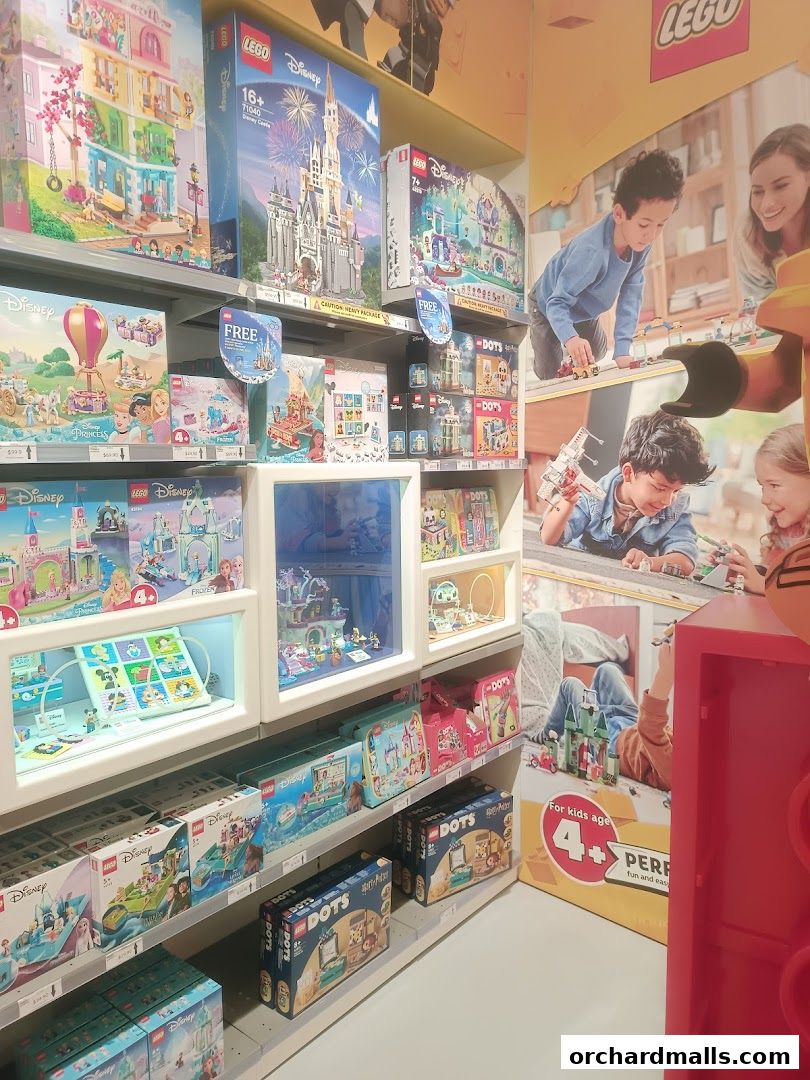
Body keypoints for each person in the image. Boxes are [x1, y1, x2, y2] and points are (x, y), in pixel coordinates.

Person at [529, 150, 684, 380]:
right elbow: (557, 302)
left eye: (661, 225)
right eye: (644, 224)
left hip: (583, 308)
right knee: (549, 374)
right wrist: (570, 338)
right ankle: (558, 349)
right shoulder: (591, 251)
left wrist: (622, 349)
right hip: (547, 304)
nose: (651, 235)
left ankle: (571, 346)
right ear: (620, 214)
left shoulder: (640, 243)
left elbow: (631, 293)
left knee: (598, 351)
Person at [540, 410, 713, 574]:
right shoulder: (592, 498)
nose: (668, 500)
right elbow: (549, 538)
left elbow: (686, 560)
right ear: (629, 473)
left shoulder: (675, 509)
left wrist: (650, 563)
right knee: (559, 510)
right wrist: (568, 502)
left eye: (677, 490)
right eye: (660, 488)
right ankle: (557, 504)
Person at [542, 640, 674, 792]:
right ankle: (590, 717)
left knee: (569, 685)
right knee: (607, 670)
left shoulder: (676, 772)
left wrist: (665, 673)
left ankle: (547, 735)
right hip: (631, 723)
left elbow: (650, 728)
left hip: (609, 744)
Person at [715, 424, 810, 594]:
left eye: (774, 485)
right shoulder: (788, 528)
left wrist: (769, 588)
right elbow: (775, 574)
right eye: (762, 486)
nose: (764, 499)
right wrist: (744, 571)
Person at [735, 123, 810, 303]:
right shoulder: (748, 233)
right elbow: (766, 309)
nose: (766, 205)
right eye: (758, 191)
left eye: (781, 186)